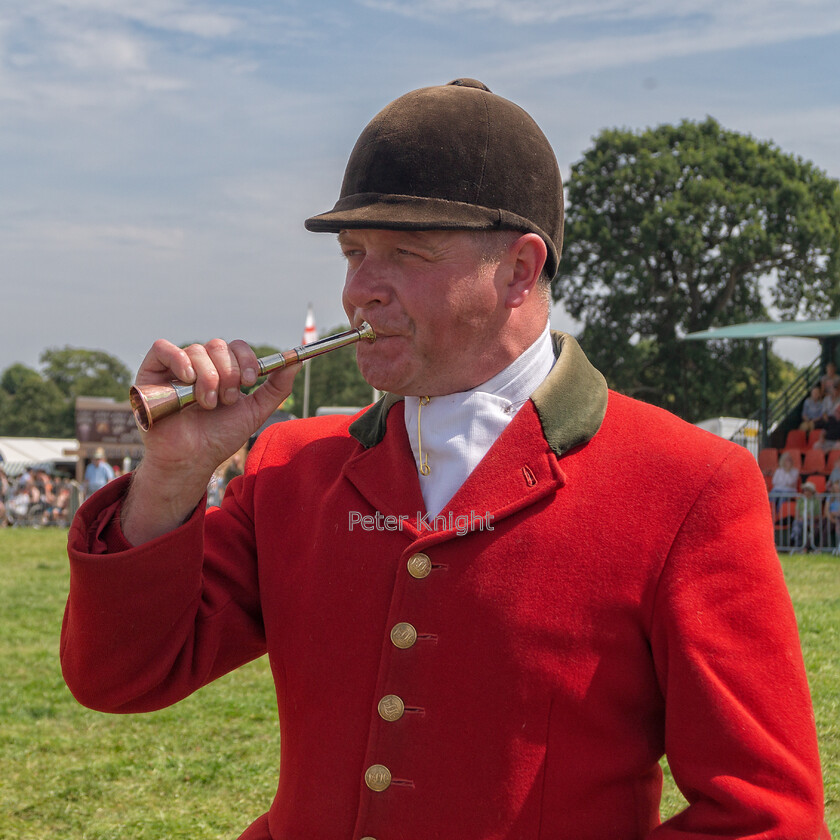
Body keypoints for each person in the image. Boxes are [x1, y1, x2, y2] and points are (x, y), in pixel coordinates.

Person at [60, 79, 829, 838]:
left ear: (520, 271)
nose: (359, 291)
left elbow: (763, 818)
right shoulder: (292, 467)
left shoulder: (687, 483)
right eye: (354, 253)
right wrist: (172, 475)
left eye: (404, 254)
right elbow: (120, 677)